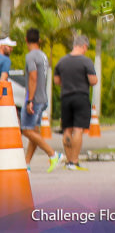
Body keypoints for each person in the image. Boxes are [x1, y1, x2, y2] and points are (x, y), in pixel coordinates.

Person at [53, 35, 98, 171]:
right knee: (78, 129)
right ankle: (75, 161)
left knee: (67, 129)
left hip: (66, 98)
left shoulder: (61, 62)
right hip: (81, 97)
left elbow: (57, 81)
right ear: (84, 46)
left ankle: (68, 161)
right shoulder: (86, 62)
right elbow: (93, 80)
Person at [21, 29, 63, 172]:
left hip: (35, 99)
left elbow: (33, 77)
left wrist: (30, 100)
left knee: (25, 130)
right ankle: (26, 164)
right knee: (34, 131)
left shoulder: (30, 56)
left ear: (26, 39)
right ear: (39, 40)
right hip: (42, 97)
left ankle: (53, 154)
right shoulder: (43, 55)